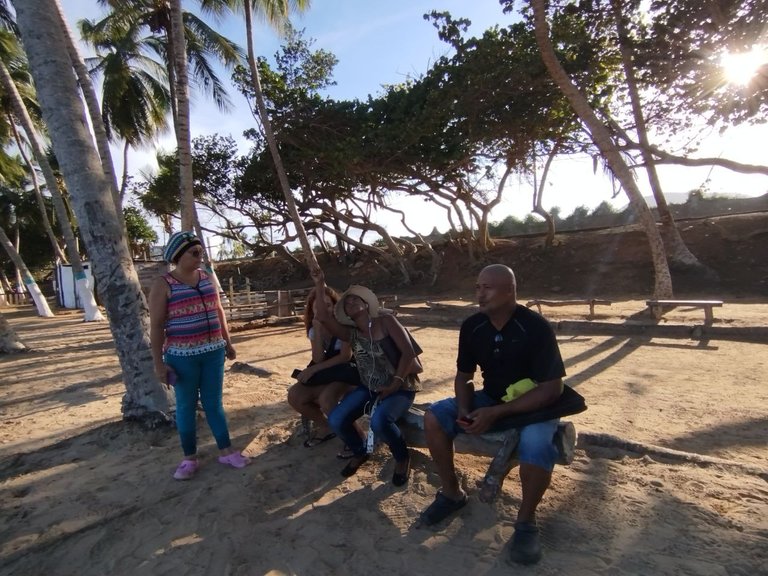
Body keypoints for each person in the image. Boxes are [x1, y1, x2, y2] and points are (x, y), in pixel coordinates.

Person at [419, 264, 566, 565]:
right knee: (434, 417)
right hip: (490, 396)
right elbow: (464, 377)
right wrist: (464, 408)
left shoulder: (534, 326)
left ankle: (525, 522)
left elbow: (552, 388)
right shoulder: (473, 326)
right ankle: (451, 494)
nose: (479, 294)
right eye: (477, 287)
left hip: (534, 402)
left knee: (538, 443)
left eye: (487, 287)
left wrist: (497, 412)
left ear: (510, 290)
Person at [149, 231, 251, 480]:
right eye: (194, 253)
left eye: (201, 252)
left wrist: (227, 342)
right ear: (178, 255)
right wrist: (159, 365)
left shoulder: (206, 278)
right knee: (185, 406)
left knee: (214, 403)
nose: (199, 257)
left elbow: (218, 311)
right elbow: (156, 325)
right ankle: (189, 458)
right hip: (181, 357)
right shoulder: (164, 284)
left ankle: (226, 450)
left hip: (213, 352)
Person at [310, 266, 421, 485]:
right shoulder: (350, 334)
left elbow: (409, 353)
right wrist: (320, 283)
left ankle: (401, 458)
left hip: (400, 386)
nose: (350, 303)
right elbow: (322, 315)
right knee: (336, 418)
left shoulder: (387, 322)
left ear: (367, 303)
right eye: (347, 302)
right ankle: (360, 451)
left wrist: (395, 384)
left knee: (380, 421)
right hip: (369, 387)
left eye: (355, 300)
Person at [287, 286, 362, 451]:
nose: (323, 310)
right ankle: (326, 426)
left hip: (351, 371)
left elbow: (345, 356)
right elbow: (318, 358)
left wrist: (313, 370)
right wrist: (319, 331)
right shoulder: (315, 329)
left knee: (327, 399)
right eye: (317, 308)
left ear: (336, 306)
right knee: (295, 395)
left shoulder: (345, 324)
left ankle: (356, 436)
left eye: (327, 305)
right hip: (330, 372)